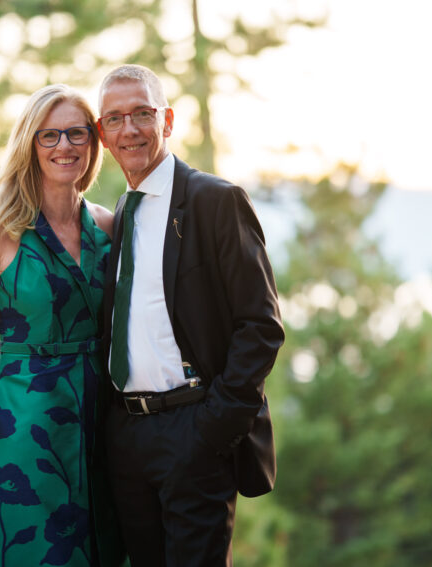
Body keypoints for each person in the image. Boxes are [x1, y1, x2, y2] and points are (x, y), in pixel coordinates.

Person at [97, 64, 285, 566]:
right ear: (102, 134)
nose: (130, 129)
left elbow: (261, 325)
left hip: (194, 432)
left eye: (142, 113)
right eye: (115, 119)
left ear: (168, 120)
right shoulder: (121, 212)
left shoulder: (214, 201)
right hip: (127, 438)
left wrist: (215, 426)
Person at [0, 84, 119, 566]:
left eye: (77, 134)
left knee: (104, 546)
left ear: (92, 144)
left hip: (103, 419)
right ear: (30, 144)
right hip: (26, 426)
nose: (65, 146)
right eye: (50, 136)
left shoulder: (106, 226)